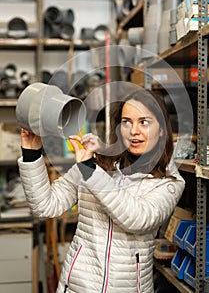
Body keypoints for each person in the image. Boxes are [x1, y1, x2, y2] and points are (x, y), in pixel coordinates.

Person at [18, 88, 185, 293]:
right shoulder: (98, 164)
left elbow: (137, 219)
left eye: (144, 122)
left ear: (161, 130)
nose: (134, 131)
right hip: (79, 287)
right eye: (126, 122)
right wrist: (31, 153)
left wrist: (90, 171)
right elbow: (44, 206)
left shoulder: (169, 183)